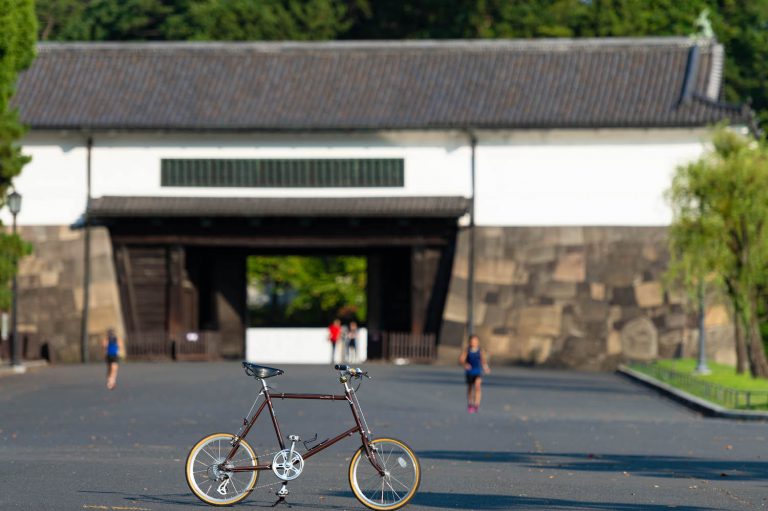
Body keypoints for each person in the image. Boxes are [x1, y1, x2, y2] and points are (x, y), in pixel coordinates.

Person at [459, 334, 490, 413]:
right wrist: (465, 364)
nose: (473, 342)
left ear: (478, 342)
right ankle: (470, 403)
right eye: (472, 341)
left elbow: (483, 360)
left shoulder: (480, 351)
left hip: (478, 371)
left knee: (477, 386)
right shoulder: (467, 350)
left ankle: (476, 404)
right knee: (470, 388)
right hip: (469, 371)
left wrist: (486, 367)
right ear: (469, 342)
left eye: (475, 341)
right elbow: (461, 360)